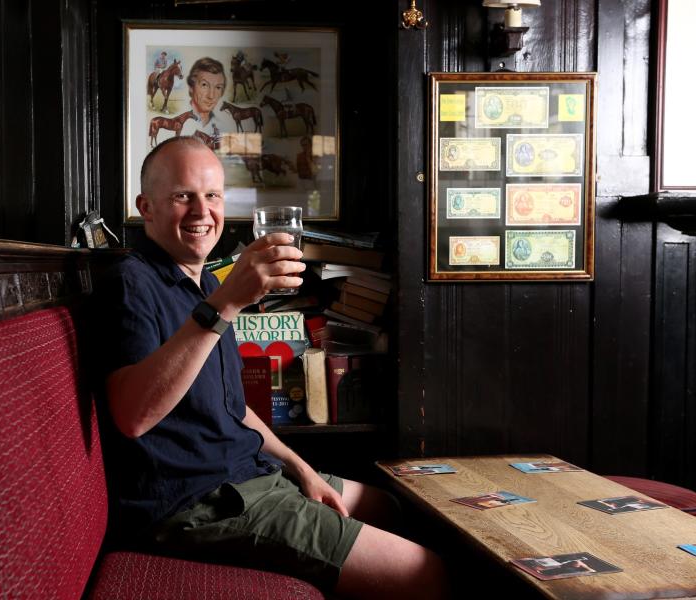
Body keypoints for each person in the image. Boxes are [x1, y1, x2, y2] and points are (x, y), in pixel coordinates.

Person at [89, 136, 447, 599]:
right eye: (183, 196)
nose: (202, 212)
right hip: (199, 503)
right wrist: (226, 304)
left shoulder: (205, 284)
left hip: (249, 474)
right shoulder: (132, 283)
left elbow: (235, 409)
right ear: (147, 207)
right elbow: (132, 416)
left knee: (389, 507)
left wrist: (303, 469)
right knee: (428, 572)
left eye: (212, 196)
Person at [180, 57, 233, 149]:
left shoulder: (224, 127)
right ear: (191, 88)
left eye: (218, 87)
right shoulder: (179, 123)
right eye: (204, 85)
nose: (211, 96)